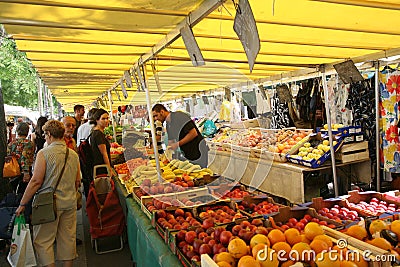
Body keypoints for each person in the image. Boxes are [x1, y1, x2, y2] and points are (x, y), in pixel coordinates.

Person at [15, 120, 81, 267]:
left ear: (49, 134)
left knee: (43, 241)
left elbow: (36, 181)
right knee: (67, 239)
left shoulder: (43, 153)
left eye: (45, 135)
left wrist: (22, 203)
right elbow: (77, 181)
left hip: (48, 205)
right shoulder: (73, 154)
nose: (45, 138)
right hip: (69, 203)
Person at [7, 122, 35, 193]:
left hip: (12, 171)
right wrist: (26, 172)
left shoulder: (11, 143)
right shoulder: (28, 143)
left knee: (14, 191)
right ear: (27, 131)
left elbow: (8, 157)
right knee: (24, 193)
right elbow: (24, 157)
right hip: (23, 172)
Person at [90, 109, 115, 176]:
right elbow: (104, 154)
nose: (106, 121)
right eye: (103, 119)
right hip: (102, 169)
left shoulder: (96, 131)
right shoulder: (98, 134)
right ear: (97, 120)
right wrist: (109, 169)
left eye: (107, 118)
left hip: (100, 167)